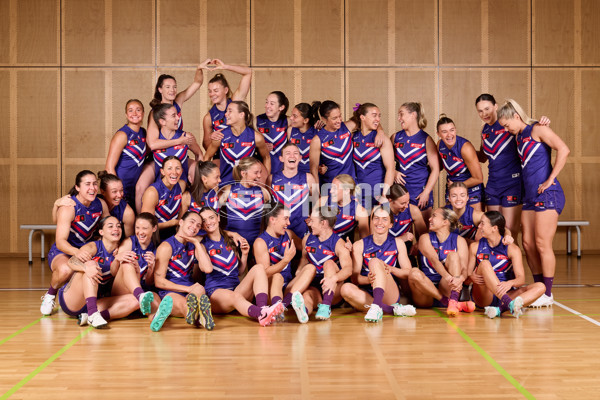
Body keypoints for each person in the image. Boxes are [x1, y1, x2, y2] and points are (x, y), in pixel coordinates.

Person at [497, 99, 569, 307]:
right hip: (529, 196)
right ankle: (539, 291)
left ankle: (547, 292)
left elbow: (563, 149)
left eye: (506, 124)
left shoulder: (538, 129)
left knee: (541, 243)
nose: (505, 129)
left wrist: (550, 179)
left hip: (547, 194)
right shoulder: (519, 136)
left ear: (516, 117)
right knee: (528, 244)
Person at [135, 63, 210, 211]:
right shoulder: (155, 113)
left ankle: (198, 212)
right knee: (140, 187)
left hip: (179, 152)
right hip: (161, 155)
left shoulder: (178, 101)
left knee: (199, 175)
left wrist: (199, 68)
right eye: (168, 87)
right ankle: (142, 221)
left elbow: (197, 83)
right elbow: (152, 144)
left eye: (174, 86)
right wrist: (180, 140)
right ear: (160, 89)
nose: (172, 90)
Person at [475, 94, 551, 238]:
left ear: (496, 107)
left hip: (512, 183)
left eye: (487, 109)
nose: (484, 114)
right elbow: (483, 157)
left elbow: (530, 128)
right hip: (493, 185)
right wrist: (460, 148)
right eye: (480, 111)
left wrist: (544, 122)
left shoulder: (509, 124)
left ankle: (513, 260)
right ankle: (499, 261)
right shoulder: (484, 130)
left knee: (509, 232)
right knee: (493, 232)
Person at [199, 207, 285, 326]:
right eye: (204, 220)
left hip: (236, 290)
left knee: (259, 268)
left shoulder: (229, 240)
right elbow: (206, 268)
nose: (208, 222)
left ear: (218, 218)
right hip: (216, 294)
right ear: (202, 226)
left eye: (211, 217)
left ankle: (263, 308)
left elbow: (239, 271)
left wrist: (244, 255)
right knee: (235, 296)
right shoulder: (202, 245)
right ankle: (261, 314)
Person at [41, 171, 109, 316]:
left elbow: (108, 226)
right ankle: (50, 294)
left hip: (87, 249)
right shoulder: (69, 207)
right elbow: (60, 242)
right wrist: (77, 252)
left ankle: (88, 304)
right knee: (66, 270)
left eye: (94, 184)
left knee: (103, 266)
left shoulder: (100, 204)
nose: (92, 188)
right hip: (64, 251)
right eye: (87, 184)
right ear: (77, 187)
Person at [58, 217, 144, 329]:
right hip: (73, 299)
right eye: (110, 226)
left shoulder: (121, 250)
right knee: (91, 265)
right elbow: (71, 261)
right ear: (101, 232)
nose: (116, 229)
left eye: (118, 226)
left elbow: (118, 277)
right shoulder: (94, 247)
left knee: (135, 301)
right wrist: (85, 268)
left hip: (98, 300)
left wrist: (119, 260)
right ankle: (93, 313)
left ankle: (90, 316)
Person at [340, 205, 416, 322]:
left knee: (374, 261)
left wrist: (390, 269)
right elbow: (355, 279)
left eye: (385, 219)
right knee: (345, 288)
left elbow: (408, 272)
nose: (379, 222)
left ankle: (377, 306)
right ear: (371, 221)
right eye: (376, 218)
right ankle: (391, 310)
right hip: (367, 293)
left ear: (391, 224)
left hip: (389, 293)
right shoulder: (359, 245)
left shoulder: (398, 243)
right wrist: (368, 280)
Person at [467, 211, 545, 319]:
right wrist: (471, 276)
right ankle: (508, 303)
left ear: (494, 228)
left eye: (482, 223)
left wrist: (510, 283)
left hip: (506, 291)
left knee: (541, 286)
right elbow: (466, 276)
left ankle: (499, 309)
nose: (479, 226)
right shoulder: (475, 247)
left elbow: (521, 279)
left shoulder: (512, 249)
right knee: (484, 264)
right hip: (484, 295)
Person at [253, 203, 318, 323]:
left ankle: (282, 306)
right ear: (273, 220)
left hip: (288, 288)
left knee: (311, 268)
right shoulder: (260, 242)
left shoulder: (288, 234)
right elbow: (265, 273)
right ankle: (276, 307)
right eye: (285, 219)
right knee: (277, 276)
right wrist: (285, 260)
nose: (288, 223)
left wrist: (313, 227)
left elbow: (306, 245)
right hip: (270, 290)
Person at [152, 211, 215, 331]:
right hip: (171, 291)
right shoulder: (166, 247)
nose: (194, 227)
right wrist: (188, 289)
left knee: (200, 289)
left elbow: (208, 269)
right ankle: (200, 317)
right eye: (192, 222)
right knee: (183, 304)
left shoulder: (195, 245)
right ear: (181, 222)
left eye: (198, 225)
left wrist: (196, 243)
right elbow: (158, 281)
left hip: (190, 290)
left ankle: (197, 314)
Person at [408, 208, 475, 316]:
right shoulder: (424, 238)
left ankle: (453, 299)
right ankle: (450, 303)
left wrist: (460, 279)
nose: (429, 219)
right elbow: (434, 260)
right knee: (414, 272)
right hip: (425, 291)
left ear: (445, 222)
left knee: (453, 255)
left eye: (434, 216)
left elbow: (464, 269)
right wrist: (450, 278)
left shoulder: (459, 240)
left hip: (446, 287)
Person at [309, 100, 385, 191]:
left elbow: (370, 120)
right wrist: (317, 194)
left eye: (340, 116)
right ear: (324, 119)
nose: (339, 120)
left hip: (351, 186)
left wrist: (380, 131)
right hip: (331, 187)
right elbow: (314, 170)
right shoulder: (317, 140)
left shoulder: (347, 127)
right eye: (334, 118)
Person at [298, 206, 352, 320]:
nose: (309, 224)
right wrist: (299, 277)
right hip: (316, 287)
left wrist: (333, 279)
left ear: (323, 223)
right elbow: (302, 262)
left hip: (334, 290)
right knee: (307, 295)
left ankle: (326, 306)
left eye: (312, 221)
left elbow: (348, 269)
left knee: (329, 263)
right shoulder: (307, 239)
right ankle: (303, 313)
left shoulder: (338, 243)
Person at [204, 101, 271, 185]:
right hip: (224, 186)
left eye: (230, 111)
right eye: (226, 111)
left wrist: (267, 181)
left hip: (247, 186)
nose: (226, 114)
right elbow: (207, 156)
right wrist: (206, 179)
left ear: (241, 115)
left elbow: (266, 157)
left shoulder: (256, 137)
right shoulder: (220, 136)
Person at [393, 102, 439, 222]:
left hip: (420, 192)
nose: (399, 119)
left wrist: (426, 192)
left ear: (413, 115)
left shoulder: (426, 139)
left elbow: (435, 169)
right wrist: (393, 171)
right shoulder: (395, 137)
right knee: (404, 233)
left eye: (401, 114)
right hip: (402, 194)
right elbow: (384, 162)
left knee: (424, 234)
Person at [268, 143, 318, 247]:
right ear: (281, 158)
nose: (292, 156)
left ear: (300, 158)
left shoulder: (308, 178)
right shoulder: (271, 179)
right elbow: (267, 205)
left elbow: (317, 202)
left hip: (301, 227)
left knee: (303, 257)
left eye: (295, 153)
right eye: (288, 153)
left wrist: (312, 218)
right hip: (279, 228)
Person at [218, 157, 271, 250]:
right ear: (243, 173)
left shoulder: (264, 193)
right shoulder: (227, 190)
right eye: (255, 172)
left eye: (260, 172)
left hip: (257, 244)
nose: (259, 176)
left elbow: (268, 220)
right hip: (232, 243)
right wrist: (227, 234)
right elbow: (213, 216)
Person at [350, 103, 395, 209]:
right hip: (359, 194)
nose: (378, 119)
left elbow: (390, 169)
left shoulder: (382, 139)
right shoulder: (353, 137)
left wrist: (385, 195)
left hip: (378, 193)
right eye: (374, 115)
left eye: (379, 116)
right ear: (362, 117)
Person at [436, 114, 484, 210]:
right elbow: (439, 166)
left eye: (452, 130)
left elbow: (478, 179)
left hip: (472, 189)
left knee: (473, 222)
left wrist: (457, 185)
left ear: (455, 130)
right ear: (438, 134)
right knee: (454, 223)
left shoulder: (465, 148)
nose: (449, 135)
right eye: (444, 132)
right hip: (453, 188)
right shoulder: (439, 145)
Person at [105, 99, 147, 208]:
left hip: (136, 188)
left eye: (138, 110)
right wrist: (117, 191)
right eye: (130, 110)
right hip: (122, 188)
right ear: (126, 114)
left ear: (143, 113)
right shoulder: (122, 135)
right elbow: (109, 167)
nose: (134, 114)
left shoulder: (143, 132)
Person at [202, 60, 253, 151]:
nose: (212, 94)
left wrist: (226, 67)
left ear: (226, 90)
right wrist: (211, 137)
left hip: (243, 149)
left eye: (216, 90)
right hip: (222, 154)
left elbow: (248, 72)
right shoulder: (209, 117)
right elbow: (206, 147)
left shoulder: (236, 101)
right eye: (210, 91)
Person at [150, 103, 203, 183]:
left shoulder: (186, 137)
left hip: (182, 186)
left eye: (177, 115)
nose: (178, 118)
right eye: (173, 116)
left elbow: (199, 154)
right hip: (160, 188)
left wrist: (198, 179)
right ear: (162, 121)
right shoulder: (155, 142)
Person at [141, 156, 190, 240]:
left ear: (181, 171)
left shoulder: (182, 185)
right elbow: (146, 225)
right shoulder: (152, 192)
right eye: (169, 168)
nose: (174, 172)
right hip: (155, 234)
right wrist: (173, 223)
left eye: (177, 168)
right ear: (162, 171)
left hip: (175, 231)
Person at [318, 174, 369, 241]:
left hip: (342, 249)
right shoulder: (323, 201)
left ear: (346, 191)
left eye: (335, 188)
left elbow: (366, 242)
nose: (330, 191)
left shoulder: (359, 211)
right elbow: (312, 229)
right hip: (320, 247)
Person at [256, 91, 290, 174]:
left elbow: (306, 126)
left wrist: (317, 125)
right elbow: (247, 141)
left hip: (283, 171)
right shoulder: (257, 120)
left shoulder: (288, 121)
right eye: (267, 102)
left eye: (272, 103)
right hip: (262, 171)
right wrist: (260, 148)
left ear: (281, 107)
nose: (267, 106)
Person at [97, 171, 135, 238]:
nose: (120, 195)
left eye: (121, 190)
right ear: (103, 191)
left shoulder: (127, 213)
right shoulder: (94, 202)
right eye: (114, 191)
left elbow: (129, 240)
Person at [288, 102, 319, 175]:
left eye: (295, 116)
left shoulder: (317, 132)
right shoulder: (290, 131)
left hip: (313, 176)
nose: (291, 118)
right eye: (291, 115)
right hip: (295, 176)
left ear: (305, 120)